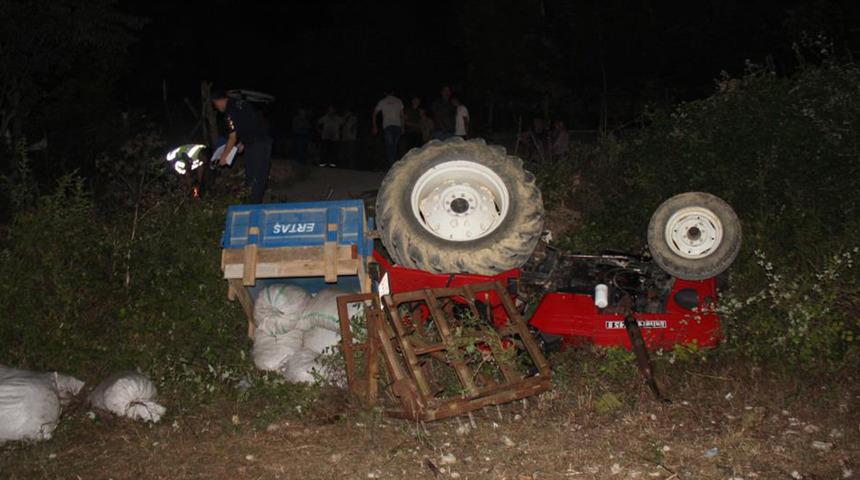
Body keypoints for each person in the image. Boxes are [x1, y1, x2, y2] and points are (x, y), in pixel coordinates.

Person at [212, 90, 271, 204]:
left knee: (254, 179)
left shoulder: (229, 111)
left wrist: (224, 156)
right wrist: (243, 142)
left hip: (257, 146)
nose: (216, 108)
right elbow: (250, 124)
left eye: (215, 104)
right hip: (261, 143)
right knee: (256, 178)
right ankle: (252, 205)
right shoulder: (241, 103)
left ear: (219, 101)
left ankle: (252, 209)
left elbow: (232, 137)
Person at [372, 90, 405, 165]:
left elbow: (374, 114)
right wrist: (403, 127)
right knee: (394, 146)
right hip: (397, 126)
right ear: (393, 92)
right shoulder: (399, 101)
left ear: (385, 93)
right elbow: (402, 116)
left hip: (388, 126)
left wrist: (375, 126)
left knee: (390, 146)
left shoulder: (382, 101)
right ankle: (393, 164)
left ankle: (392, 165)